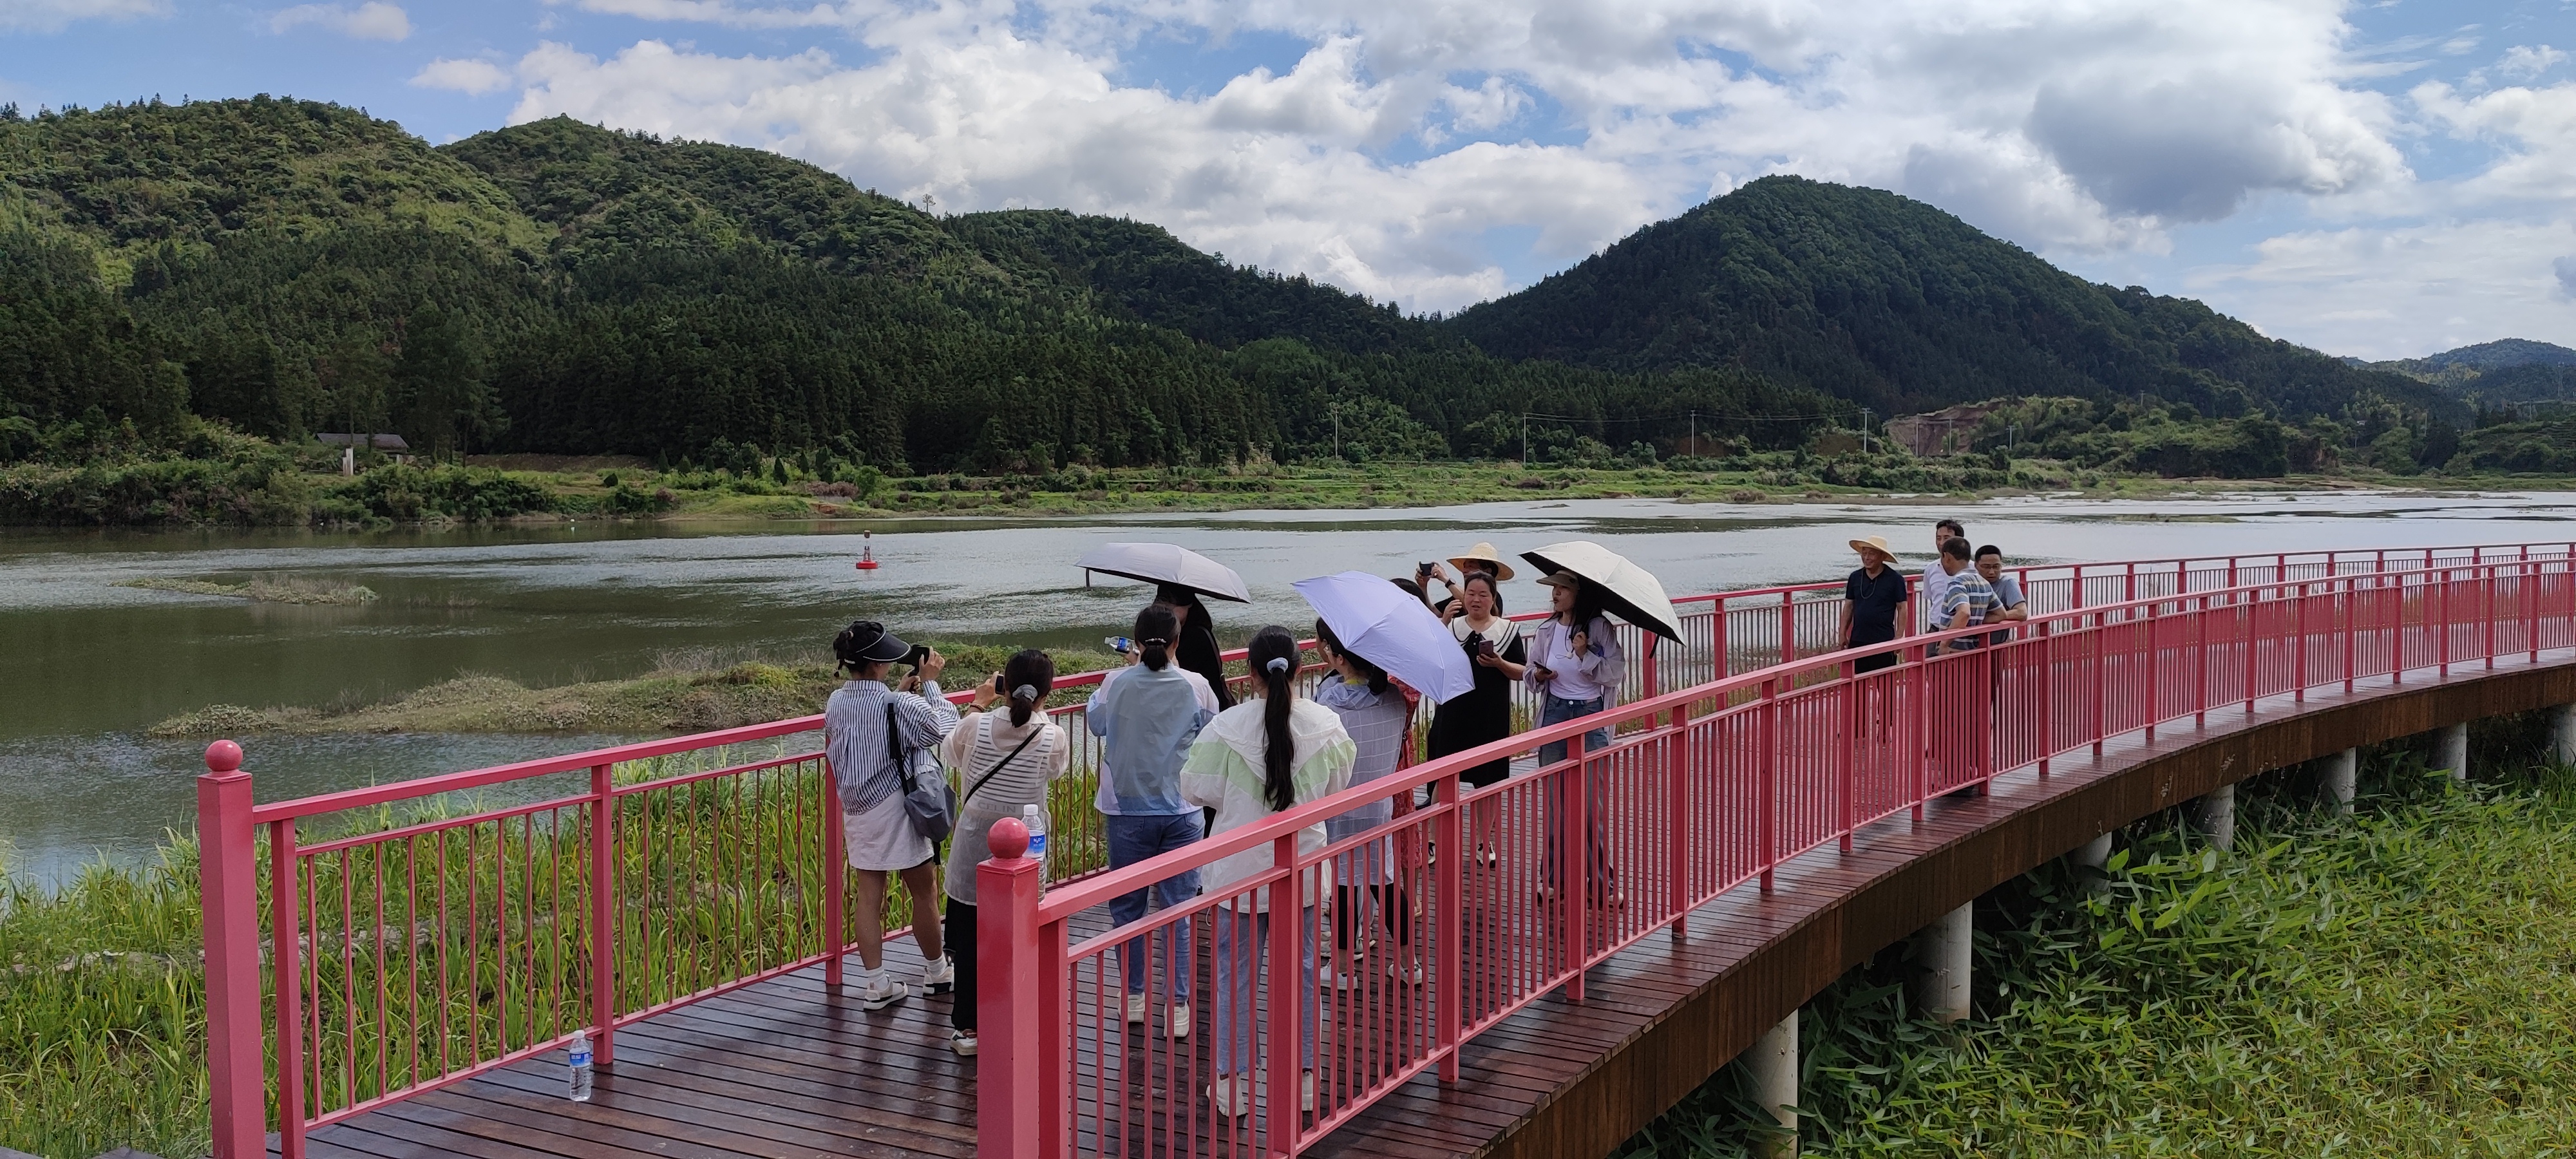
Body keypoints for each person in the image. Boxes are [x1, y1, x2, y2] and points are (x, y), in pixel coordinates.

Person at [1183, 626, 1355, 1119]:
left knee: (1234, 979)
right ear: (1299, 670)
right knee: (1303, 973)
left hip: (1238, 874)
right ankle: (1303, 1082)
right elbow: (1337, 785)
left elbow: (1194, 788)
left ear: (1251, 673)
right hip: (1301, 870)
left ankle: (1231, 1087)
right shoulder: (1327, 725)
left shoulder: (1225, 728)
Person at [1088, 604, 1222, 1039]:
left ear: (1135, 639)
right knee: (1178, 910)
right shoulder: (1197, 685)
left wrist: (1130, 668)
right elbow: (1212, 732)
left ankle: (1134, 999)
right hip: (1182, 811)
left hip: (1126, 811)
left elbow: (1095, 723)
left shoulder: (1115, 683)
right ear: (1177, 641)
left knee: (1127, 909)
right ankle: (1178, 1006)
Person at [938, 650, 1068, 1057]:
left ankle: (969, 1028)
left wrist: (979, 704)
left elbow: (950, 755)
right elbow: (1056, 771)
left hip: (973, 848)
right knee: (1022, 934)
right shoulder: (1053, 735)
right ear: (1046, 694)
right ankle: (1019, 1019)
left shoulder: (974, 726)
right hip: (1026, 852)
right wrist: (1038, 715)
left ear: (1004, 687)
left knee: (970, 940)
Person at [824, 620, 960, 1010]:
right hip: (896, 807)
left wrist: (900, 694)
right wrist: (930, 684)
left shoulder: (836, 702)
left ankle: (876, 984)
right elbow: (943, 728)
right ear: (877, 664)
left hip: (858, 810)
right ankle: (937, 972)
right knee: (924, 892)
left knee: (869, 896)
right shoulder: (898, 705)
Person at [1312, 619, 1412, 989]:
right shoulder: (1395, 700)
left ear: (1339, 658)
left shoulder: (1327, 705)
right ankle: (1409, 964)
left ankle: (1341, 969)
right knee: (1385, 884)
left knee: (1343, 885)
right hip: (1379, 807)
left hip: (1339, 808)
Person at [1526, 571, 1622, 903]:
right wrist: (1539, 675)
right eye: (1553, 588)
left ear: (1579, 593)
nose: (1555, 594)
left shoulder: (1599, 628)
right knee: (1556, 805)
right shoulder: (1547, 630)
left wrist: (1585, 654)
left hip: (1590, 714)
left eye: (1562, 588)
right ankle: (1554, 879)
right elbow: (1530, 675)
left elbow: (1615, 674)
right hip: (1554, 713)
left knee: (1592, 808)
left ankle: (1602, 884)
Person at [1427, 571, 1527, 789]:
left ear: (1493, 598)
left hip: (1490, 715)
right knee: (1446, 772)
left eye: (1483, 595)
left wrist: (1500, 664)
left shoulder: (1507, 631)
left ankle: (1486, 814)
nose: (1476, 600)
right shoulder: (1453, 627)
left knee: (1488, 776)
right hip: (1453, 711)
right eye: (1471, 594)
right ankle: (1438, 813)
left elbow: (1522, 672)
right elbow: (1434, 661)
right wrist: (1443, 623)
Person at [1154, 584, 1236, 710]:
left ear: (1188, 606)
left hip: (1204, 708)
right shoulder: (1191, 630)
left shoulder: (1196, 636)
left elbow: (1176, 678)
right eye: (1164, 608)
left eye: (1173, 607)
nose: (1169, 613)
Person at [1841, 535, 1908, 674]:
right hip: (1858, 640)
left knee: (1885, 684)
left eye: (1872, 554)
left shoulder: (1895, 579)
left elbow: (1902, 607)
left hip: (1884, 640)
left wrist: (1899, 637)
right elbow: (1849, 606)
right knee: (1857, 683)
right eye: (1864, 553)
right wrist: (1842, 633)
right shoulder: (1855, 577)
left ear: (1882, 556)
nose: (1867, 558)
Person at [1425, 542, 1515, 621]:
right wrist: (1423, 586)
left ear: (1487, 571)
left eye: (1471, 567)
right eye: (1465, 566)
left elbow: (1467, 603)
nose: (1464, 570)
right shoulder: (1458, 596)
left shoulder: (1494, 598)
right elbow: (1433, 611)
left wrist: (1446, 580)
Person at [1935, 537, 1996, 651]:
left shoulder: (1956, 583)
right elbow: (2001, 614)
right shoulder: (1984, 583)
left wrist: (1944, 643)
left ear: (1946, 557)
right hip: (1973, 651)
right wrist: (1977, 621)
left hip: (1954, 652)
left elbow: (1964, 613)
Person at [1974, 545, 2029, 646]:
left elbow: (2022, 613)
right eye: (1986, 567)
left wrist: (1988, 618)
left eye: (1996, 567)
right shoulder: (1970, 583)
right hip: (1968, 643)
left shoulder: (2008, 583)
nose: (1992, 572)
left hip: (1995, 644)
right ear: (1976, 565)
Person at [1921, 518, 1966, 632]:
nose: (1941, 543)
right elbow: (1932, 599)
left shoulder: (1973, 569)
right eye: (1938, 538)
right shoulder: (1931, 569)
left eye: (1946, 538)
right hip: (1936, 628)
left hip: (1963, 630)